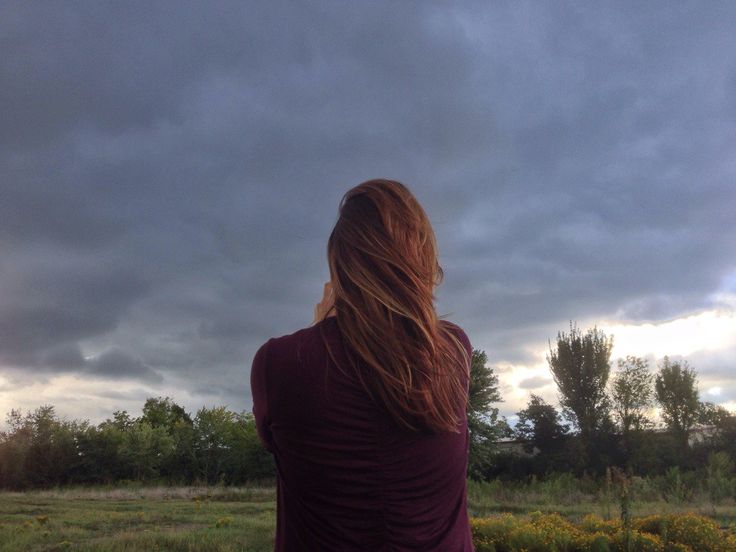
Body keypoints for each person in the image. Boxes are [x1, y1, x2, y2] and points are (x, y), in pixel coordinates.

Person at [250, 179, 475, 551]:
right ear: (421, 261)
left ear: (340, 267)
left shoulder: (279, 363)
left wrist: (322, 329)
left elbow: (277, 442)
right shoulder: (453, 350)